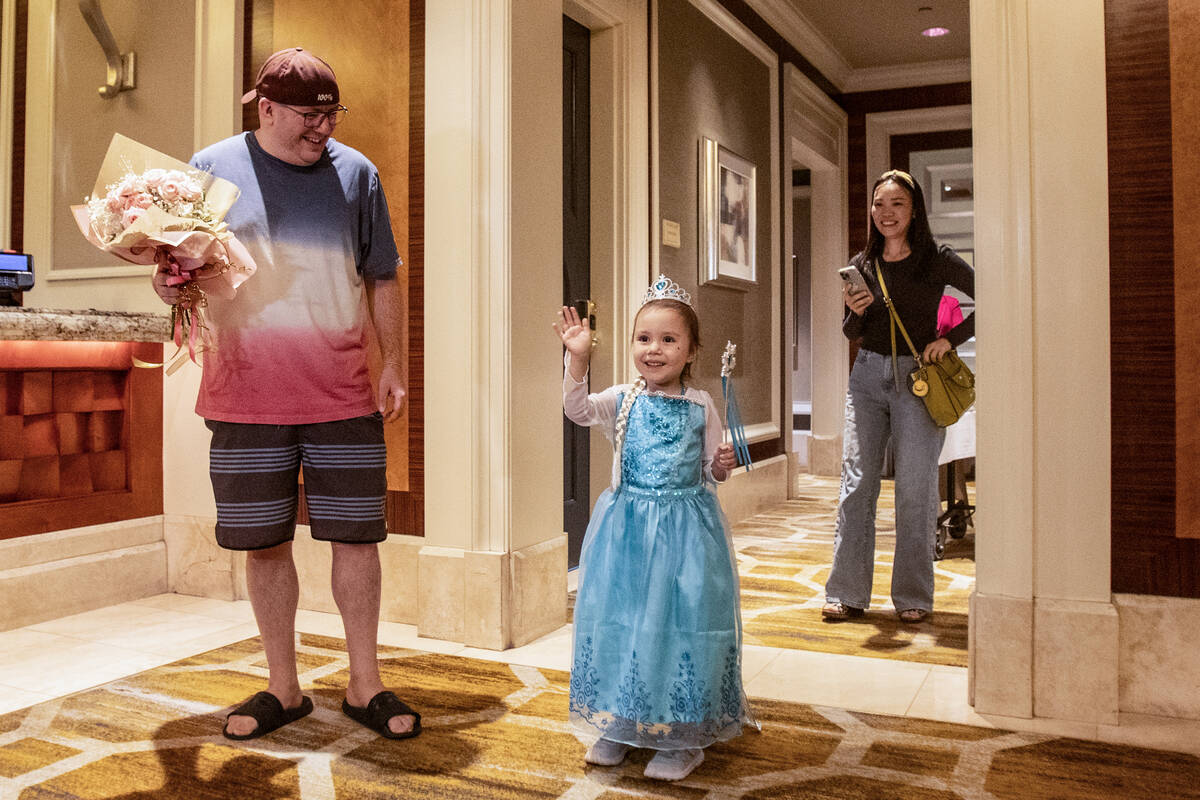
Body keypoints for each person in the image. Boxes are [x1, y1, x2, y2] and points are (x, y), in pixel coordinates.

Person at [152, 47, 419, 741]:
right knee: (264, 544)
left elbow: (382, 276)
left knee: (357, 541)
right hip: (243, 394)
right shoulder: (210, 168)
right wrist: (167, 282)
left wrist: (394, 364)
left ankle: (366, 685)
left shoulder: (358, 174)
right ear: (264, 107)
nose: (322, 129)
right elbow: (177, 271)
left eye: (331, 114)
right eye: (308, 116)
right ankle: (284, 687)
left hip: (343, 392)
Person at [553, 275, 755, 782]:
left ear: (691, 351)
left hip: (685, 537)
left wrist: (723, 465)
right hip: (626, 537)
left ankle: (682, 736)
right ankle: (621, 720)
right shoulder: (622, 399)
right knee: (624, 624)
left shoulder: (702, 405)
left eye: (668, 340)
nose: (654, 349)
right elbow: (576, 409)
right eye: (644, 339)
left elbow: (709, 470)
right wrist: (577, 359)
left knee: (678, 629)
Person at [822, 169, 975, 624]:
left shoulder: (938, 259)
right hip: (867, 376)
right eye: (879, 204)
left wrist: (951, 338)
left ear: (914, 210)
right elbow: (852, 331)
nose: (886, 213)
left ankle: (912, 596)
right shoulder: (863, 263)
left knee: (916, 488)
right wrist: (852, 313)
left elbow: (992, 295)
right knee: (857, 484)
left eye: (897, 204)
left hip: (918, 378)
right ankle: (847, 592)